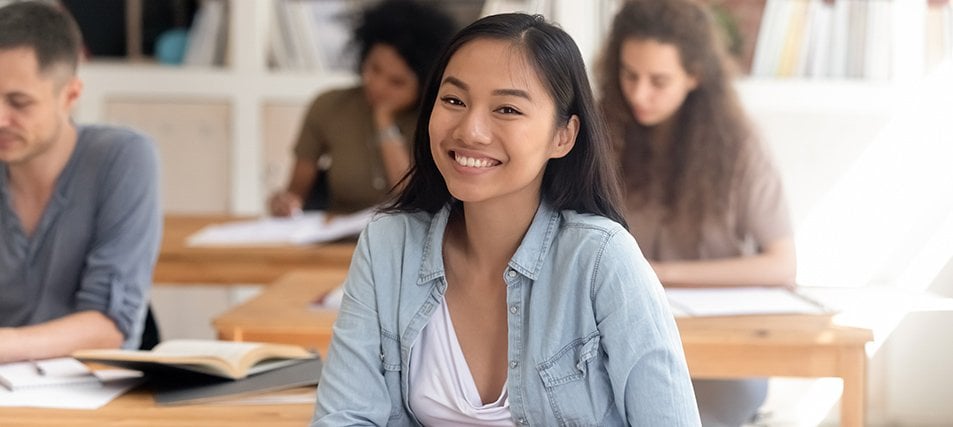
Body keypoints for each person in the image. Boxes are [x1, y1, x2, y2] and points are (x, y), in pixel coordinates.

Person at [312, 13, 700, 426]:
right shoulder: (388, 245)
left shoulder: (602, 257)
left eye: (507, 109)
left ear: (562, 136)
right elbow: (344, 417)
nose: (471, 131)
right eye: (454, 100)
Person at [597, 0, 798, 425]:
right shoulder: (598, 134)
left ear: (695, 75)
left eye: (659, 81)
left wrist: (660, 273)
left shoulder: (738, 143)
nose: (638, 93)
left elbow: (781, 264)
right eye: (629, 75)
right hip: (617, 341)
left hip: (720, 354)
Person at [0, 2, 161, 363]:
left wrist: (6, 345)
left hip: (92, 396)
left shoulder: (122, 158)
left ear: (70, 95)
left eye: (19, 103)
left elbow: (110, 328)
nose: (0, 119)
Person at [268, 0, 456, 216]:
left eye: (397, 82)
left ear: (424, 85)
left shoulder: (437, 118)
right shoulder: (330, 106)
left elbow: (411, 197)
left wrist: (383, 121)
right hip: (338, 240)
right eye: (374, 68)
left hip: (408, 238)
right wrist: (284, 203)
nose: (378, 85)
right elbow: (296, 193)